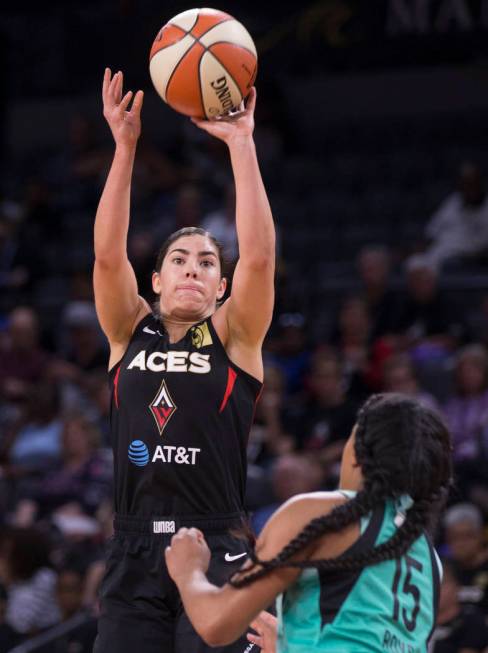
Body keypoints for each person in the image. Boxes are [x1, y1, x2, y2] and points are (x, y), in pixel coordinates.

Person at [92, 68, 275, 653]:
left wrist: (241, 142)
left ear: (221, 287)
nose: (193, 267)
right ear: (157, 277)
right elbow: (104, 255)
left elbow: (261, 260)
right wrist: (124, 150)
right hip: (133, 550)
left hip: (217, 543)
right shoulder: (128, 329)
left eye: (206, 261)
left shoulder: (237, 337)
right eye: (179, 258)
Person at [165, 393, 452, 652]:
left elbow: (217, 625)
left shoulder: (322, 514)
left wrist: (189, 572)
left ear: (356, 455)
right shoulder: (428, 557)